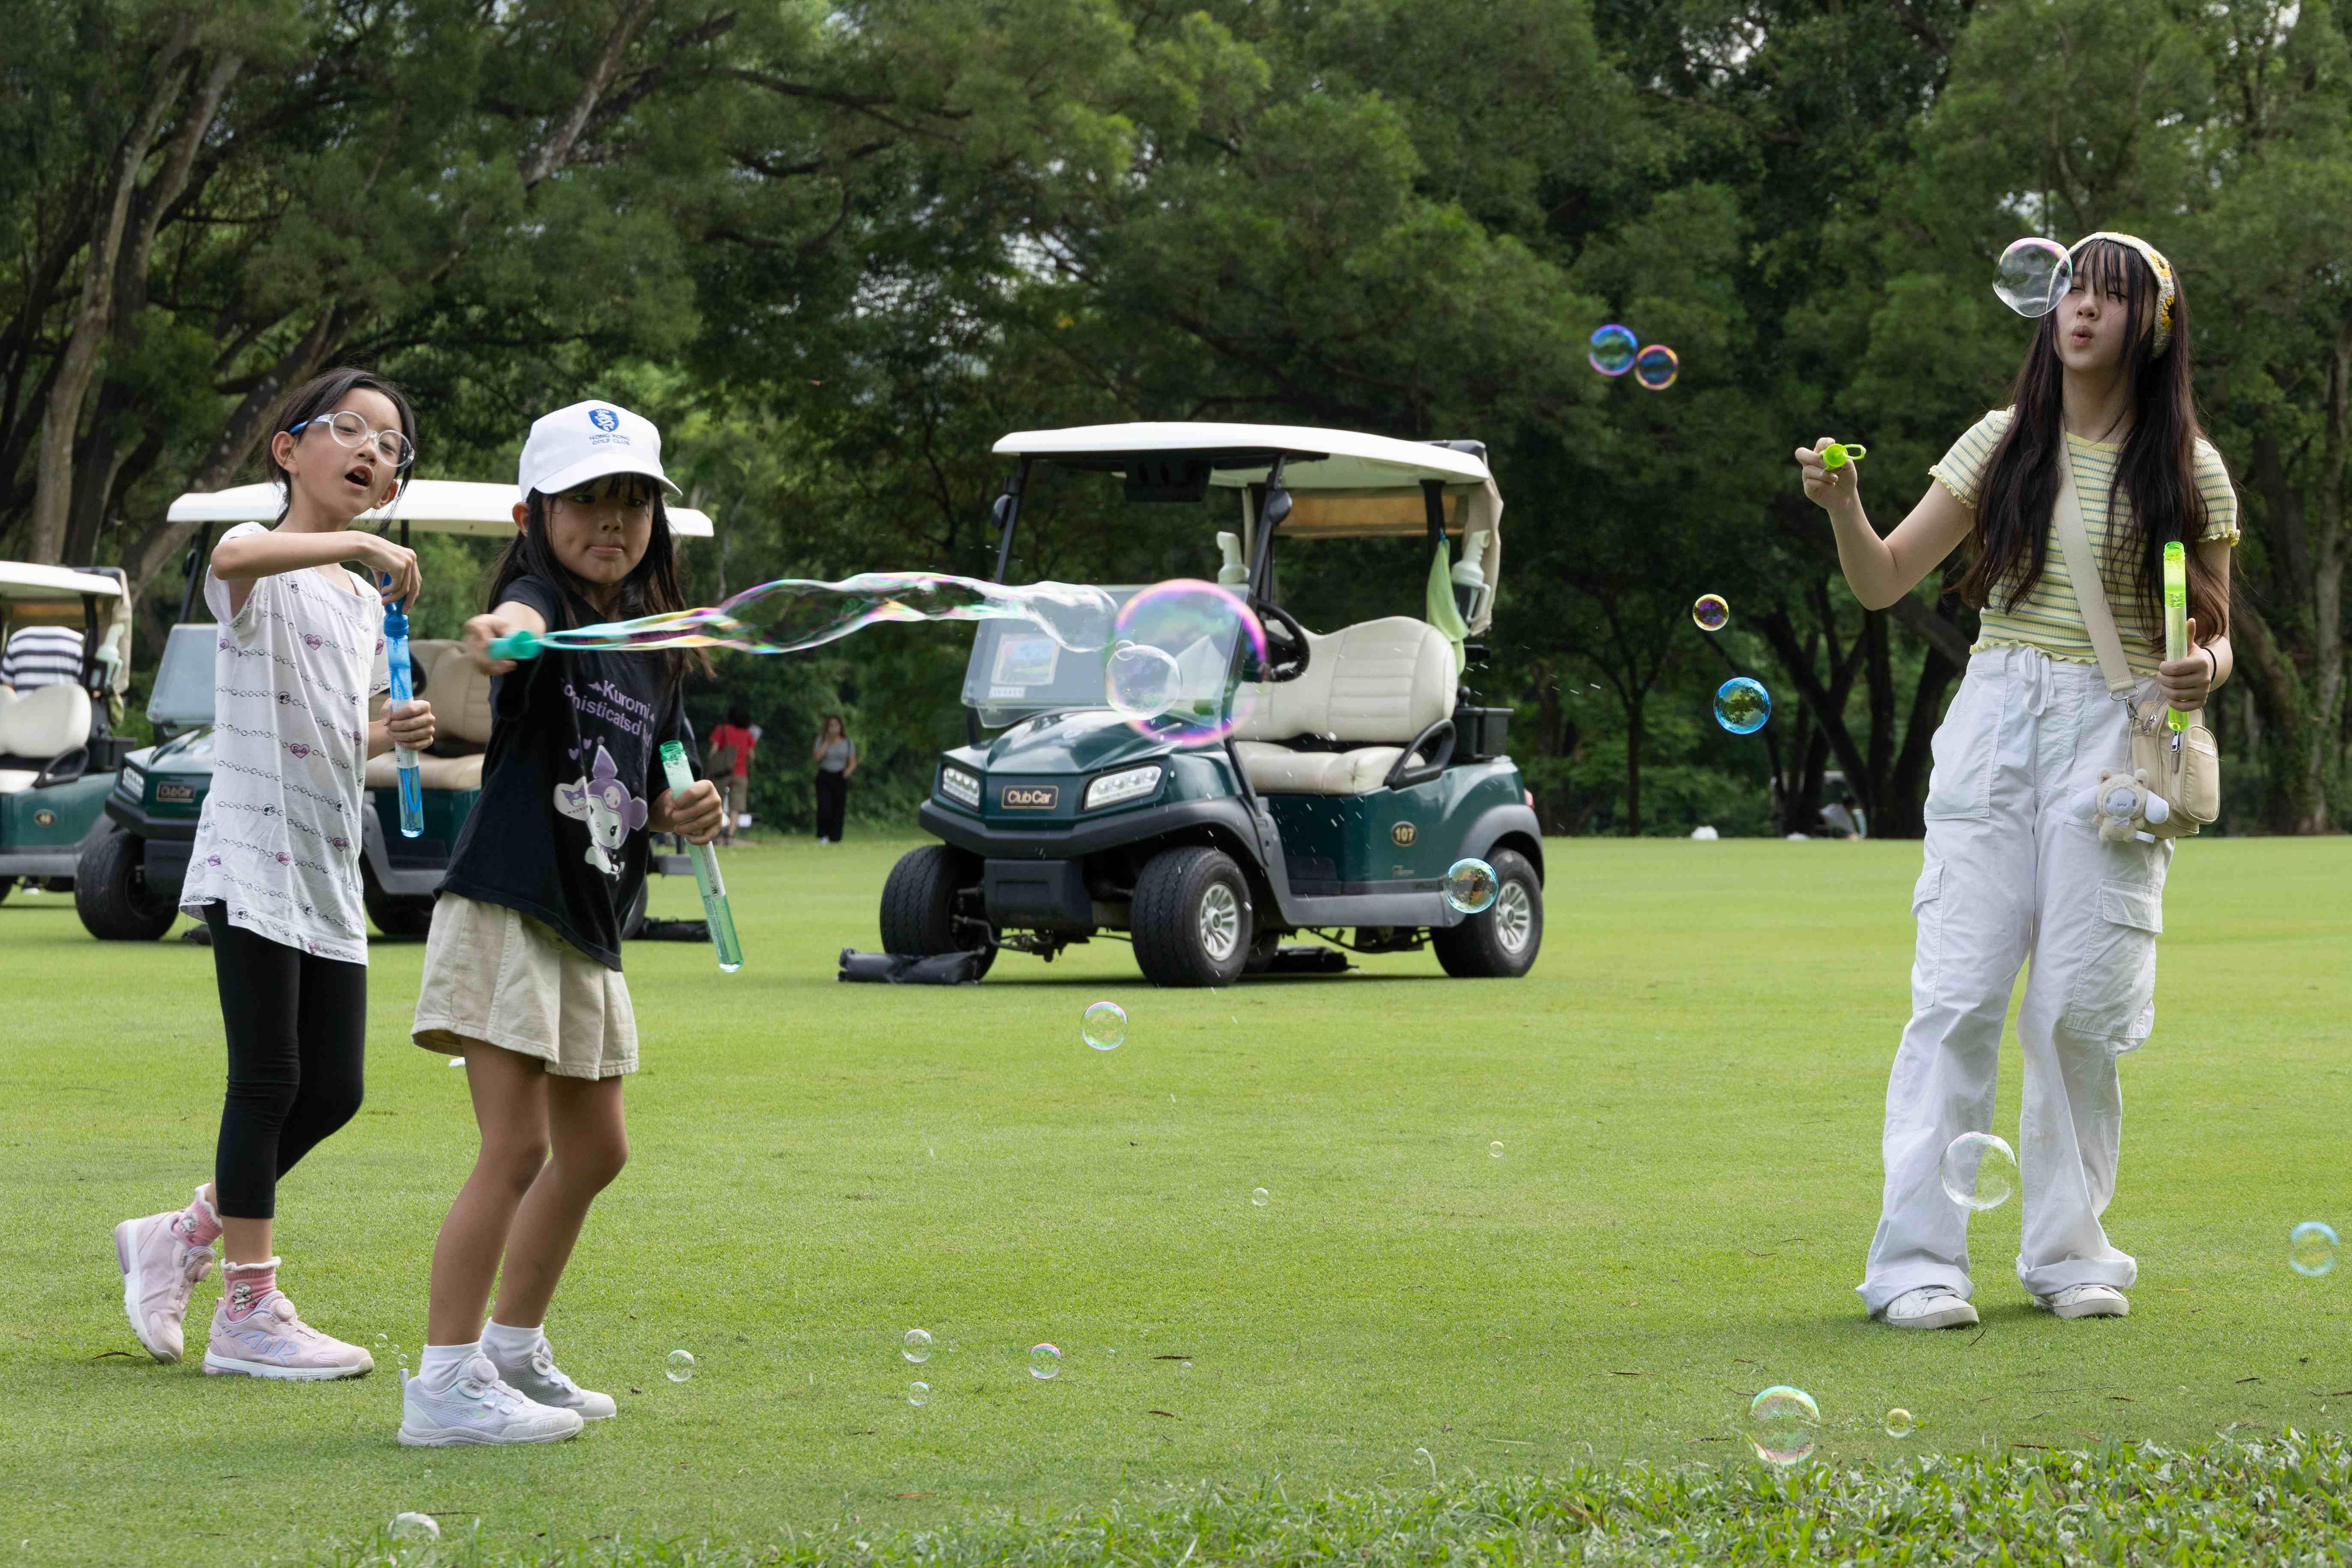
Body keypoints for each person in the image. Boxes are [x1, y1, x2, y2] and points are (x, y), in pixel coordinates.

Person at [1795, 233, 2236, 1330]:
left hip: (2116, 729)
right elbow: (1884, 580)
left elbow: (2217, 635)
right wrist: (1844, 506)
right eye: (2069, 290)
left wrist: (2202, 667)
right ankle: (1913, 1266)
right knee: (1955, 997)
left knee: (2078, 1008)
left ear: (2154, 325)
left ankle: (2068, 1253)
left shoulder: (2190, 467)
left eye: (2109, 295)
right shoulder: (2000, 443)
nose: (2079, 309)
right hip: (1997, 716)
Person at [400, 400, 723, 1447]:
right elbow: (508, 635)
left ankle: (507, 1349)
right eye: (587, 499)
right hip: (508, 903)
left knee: (597, 1151)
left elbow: (668, 770)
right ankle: (441, 1388)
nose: (613, 521)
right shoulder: (543, 608)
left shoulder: (654, 650)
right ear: (534, 513)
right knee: (516, 1147)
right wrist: (500, 639)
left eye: (632, 500)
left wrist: (691, 803)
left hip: (587, 923)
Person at [111, 367, 436, 1378]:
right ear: (288, 450)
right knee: (267, 1079)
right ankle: (249, 1311)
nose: (373, 451)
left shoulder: (354, 601)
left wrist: (392, 729)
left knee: (333, 1089)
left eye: (389, 447)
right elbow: (233, 549)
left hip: (328, 869)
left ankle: (182, 1233)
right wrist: (357, 543)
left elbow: (338, 735)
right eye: (352, 430)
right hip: (253, 852)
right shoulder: (260, 569)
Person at [705, 705, 758, 847]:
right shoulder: (748, 734)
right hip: (741, 773)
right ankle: (730, 837)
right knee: (736, 807)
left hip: (723, 773)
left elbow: (714, 751)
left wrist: (711, 766)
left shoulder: (722, 730)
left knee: (717, 804)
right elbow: (752, 756)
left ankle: (715, 835)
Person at [0, 622, 84, 693]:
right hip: (66, 711)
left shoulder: (17, 639)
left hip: (25, 711)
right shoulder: (79, 642)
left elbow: (8, 690)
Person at [812, 713, 856, 844]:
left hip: (840, 776)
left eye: (836, 725)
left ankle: (836, 837)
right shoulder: (821, 740)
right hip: (825, 775)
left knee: (838, 807)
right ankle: (823, 836)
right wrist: (827, 742)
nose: (834, 728)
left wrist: (848, 771)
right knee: (824, 806)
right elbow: (817, 757)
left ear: (840, 727)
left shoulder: (848, 742)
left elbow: (853, 762)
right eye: (831, 725)